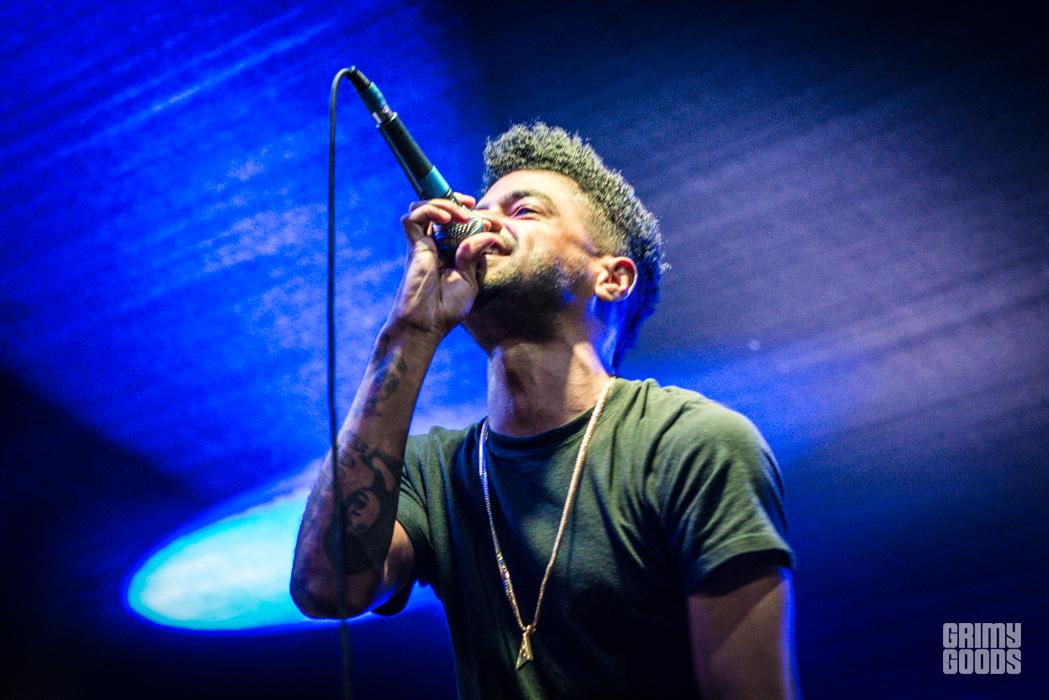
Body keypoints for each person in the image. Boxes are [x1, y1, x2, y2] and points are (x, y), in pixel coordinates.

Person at [291, 122, 799, 698]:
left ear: (611, 278)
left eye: (523, 211)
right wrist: (409, 329)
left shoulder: (693, 445)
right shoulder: (431, 473)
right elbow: (326, 588)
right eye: (480, 212)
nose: (480, 225)